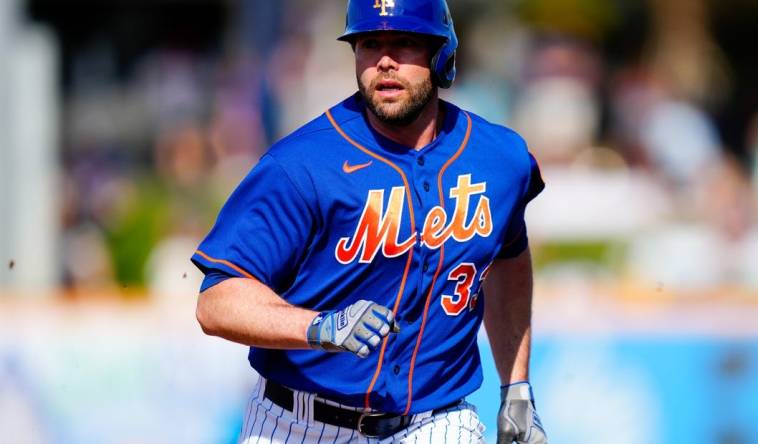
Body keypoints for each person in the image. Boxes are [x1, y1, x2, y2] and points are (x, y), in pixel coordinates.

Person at [191, 1, 547, 442]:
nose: (385, 61)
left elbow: (508, 255)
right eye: (370, 44)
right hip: (299, 422)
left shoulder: (499, 159)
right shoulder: (302, 164)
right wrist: (319, 326)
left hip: (437, 422)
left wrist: (516, 387)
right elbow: (217, 301)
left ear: (442, 55)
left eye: (404, 44)